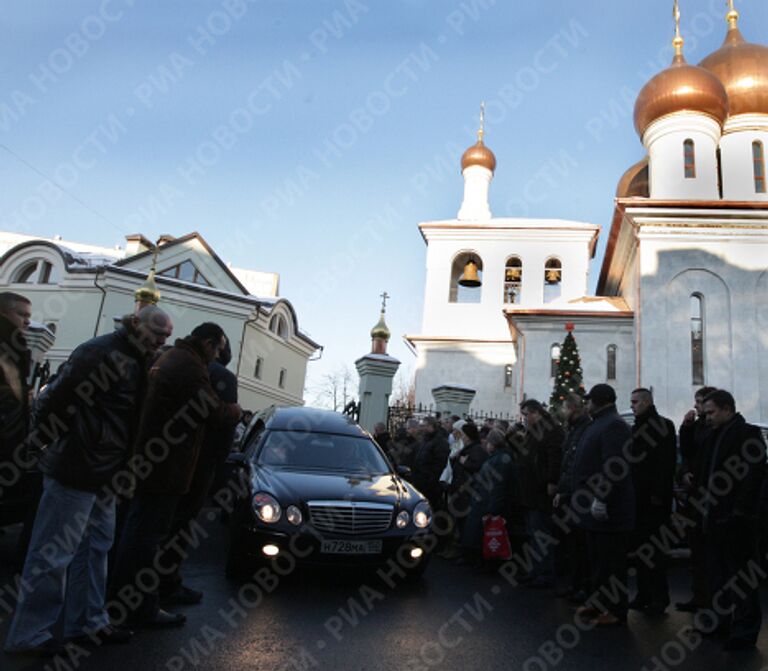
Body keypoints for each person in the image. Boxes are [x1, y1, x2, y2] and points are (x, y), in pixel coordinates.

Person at [4, 307, 173, 656]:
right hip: (77, 468)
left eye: (166, 336)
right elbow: (53, 400)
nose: (161, 340)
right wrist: (41, 444)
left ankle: (88, 622)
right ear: (134, 324)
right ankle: (29, 635)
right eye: (157, 333)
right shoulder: (100, 352)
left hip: (104, 472)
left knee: (94, 550)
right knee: (53, 554)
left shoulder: (132, 356)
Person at [111, 322, 241, 629]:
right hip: (167, 465)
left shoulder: (170, 358)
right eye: (219, 347)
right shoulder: (190, 366)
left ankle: (133, 600)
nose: (219, 354)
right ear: (209, 344)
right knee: (148, 538)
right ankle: (138, 606)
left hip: (157, 461)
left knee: (142, 534)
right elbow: (213, 411)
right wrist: (235, 412)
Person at [158, 337, 239, 606]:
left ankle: (147, 584)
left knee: (158, 524)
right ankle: (167, 583)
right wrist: (221, 462)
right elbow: (223, 425)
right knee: (181, 525)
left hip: (165, 457)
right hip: (200, 462)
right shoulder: (220, 376)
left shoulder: (172, 362)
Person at [698, 390, 765, 650]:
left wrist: (739, 512)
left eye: (712, 412)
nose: (708, 417)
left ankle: (745, 630)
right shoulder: (712, 435)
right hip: (713, 519)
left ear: (727, 409)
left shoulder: (747, 434)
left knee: (741, 578)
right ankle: (721, 623)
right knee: (718, 576)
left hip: (736, 522)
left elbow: (752, 477)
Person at [572, 383, 635, 627]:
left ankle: (616, 609)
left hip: (609, 511)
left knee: (612, 563)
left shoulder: (614, 425)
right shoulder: (599, 422)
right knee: (597, 561)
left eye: (589, 400)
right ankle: (598, 602)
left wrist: (602, 497)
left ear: (599, 401)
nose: (586, 404)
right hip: (591, 508)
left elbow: (615, 466)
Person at [628, 388, 676, 615]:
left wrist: (658, 492)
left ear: (647, 402)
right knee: (641, 550)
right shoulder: (638, 425)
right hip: (639, 497)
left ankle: (659, 596)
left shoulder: (662, 425)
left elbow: (665, 464)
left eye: (635, 401)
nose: (632, 406)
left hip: (653, 500)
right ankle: (644, 593)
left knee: (655, 551)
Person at [676, 385, 716, 613]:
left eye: (699, 402)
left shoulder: (715, 430)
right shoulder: (699, 427)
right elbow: (688, 455)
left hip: (707, 500)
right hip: (696, 498)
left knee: (708, 554)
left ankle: (710, 600)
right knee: (697, 552)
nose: (696, 406)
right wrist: (686, 427)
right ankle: (699, 595)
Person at [460, 429, 524, 567]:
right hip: (485, 500)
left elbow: (498, 486)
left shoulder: (500, 460)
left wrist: (493, 509)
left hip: (488, 502)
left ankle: (488, 562)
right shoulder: (498, 457)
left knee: (489, 535)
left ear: (493, 444)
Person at [517, 399, 564, 588]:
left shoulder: (552, 430)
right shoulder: (533, 431)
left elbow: (554, 457)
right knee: (533, 533)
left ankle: (545, 573)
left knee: (541, 534)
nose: (525, 418)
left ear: (536, 412)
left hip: (540, 490)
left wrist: (551, 481)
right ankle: (535, 569)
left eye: (526, 414)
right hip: (530, 490)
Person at [553, 393, 591, 601]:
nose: (563, 413)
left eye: (566, 408)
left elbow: (575, 464)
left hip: (577, 495)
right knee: (571, 544)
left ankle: (582, 586)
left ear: (574, 409)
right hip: (569, 493)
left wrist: (565, 490)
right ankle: (575, 583)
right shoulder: (574, 429)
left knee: (578, 544)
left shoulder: (584, 429)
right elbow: (566, 463)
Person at [411, 416, 449, 511]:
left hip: (430, 485)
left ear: (432, 426)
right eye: (422, 425)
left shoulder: (440, 441)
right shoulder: (425, 440)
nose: (422, 428)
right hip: (420, 481)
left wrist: (430, 480)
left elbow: (439, 464)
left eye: (425, 426)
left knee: (431, 508)